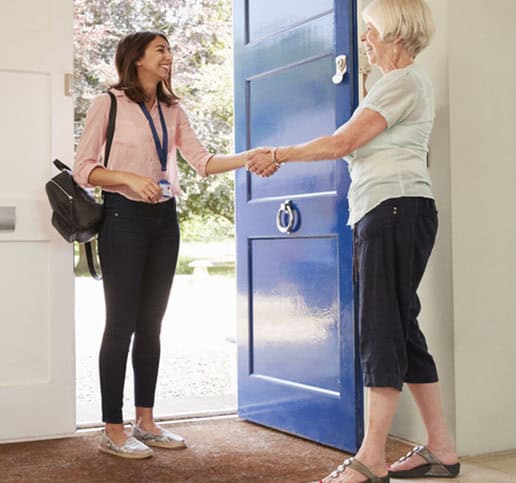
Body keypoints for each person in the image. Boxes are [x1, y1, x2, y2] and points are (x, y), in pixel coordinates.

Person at [248, 0, 458, 481]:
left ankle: (371, 457)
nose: (363, 38)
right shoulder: (390, 86)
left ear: (394, 33)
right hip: (394, 209)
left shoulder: (403, 82)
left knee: (382, 330)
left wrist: (277, 153)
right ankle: (442, 448)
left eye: (369, 31)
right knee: (402, 329)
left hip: (393, 210)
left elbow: (341, 143)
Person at [73, 31, 271, 459]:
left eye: (169, 51)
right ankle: (112, 427)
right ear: (137, 58)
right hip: (122, 219)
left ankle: (145, 421)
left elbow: (202, 162)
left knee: (152, 325)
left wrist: (247, 156)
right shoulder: (108, 104)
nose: (169, 57)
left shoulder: (172, 109)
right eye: (161, 50)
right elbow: (84, 169)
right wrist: (127, 177)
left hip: (164, 220)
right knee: (120, 323)